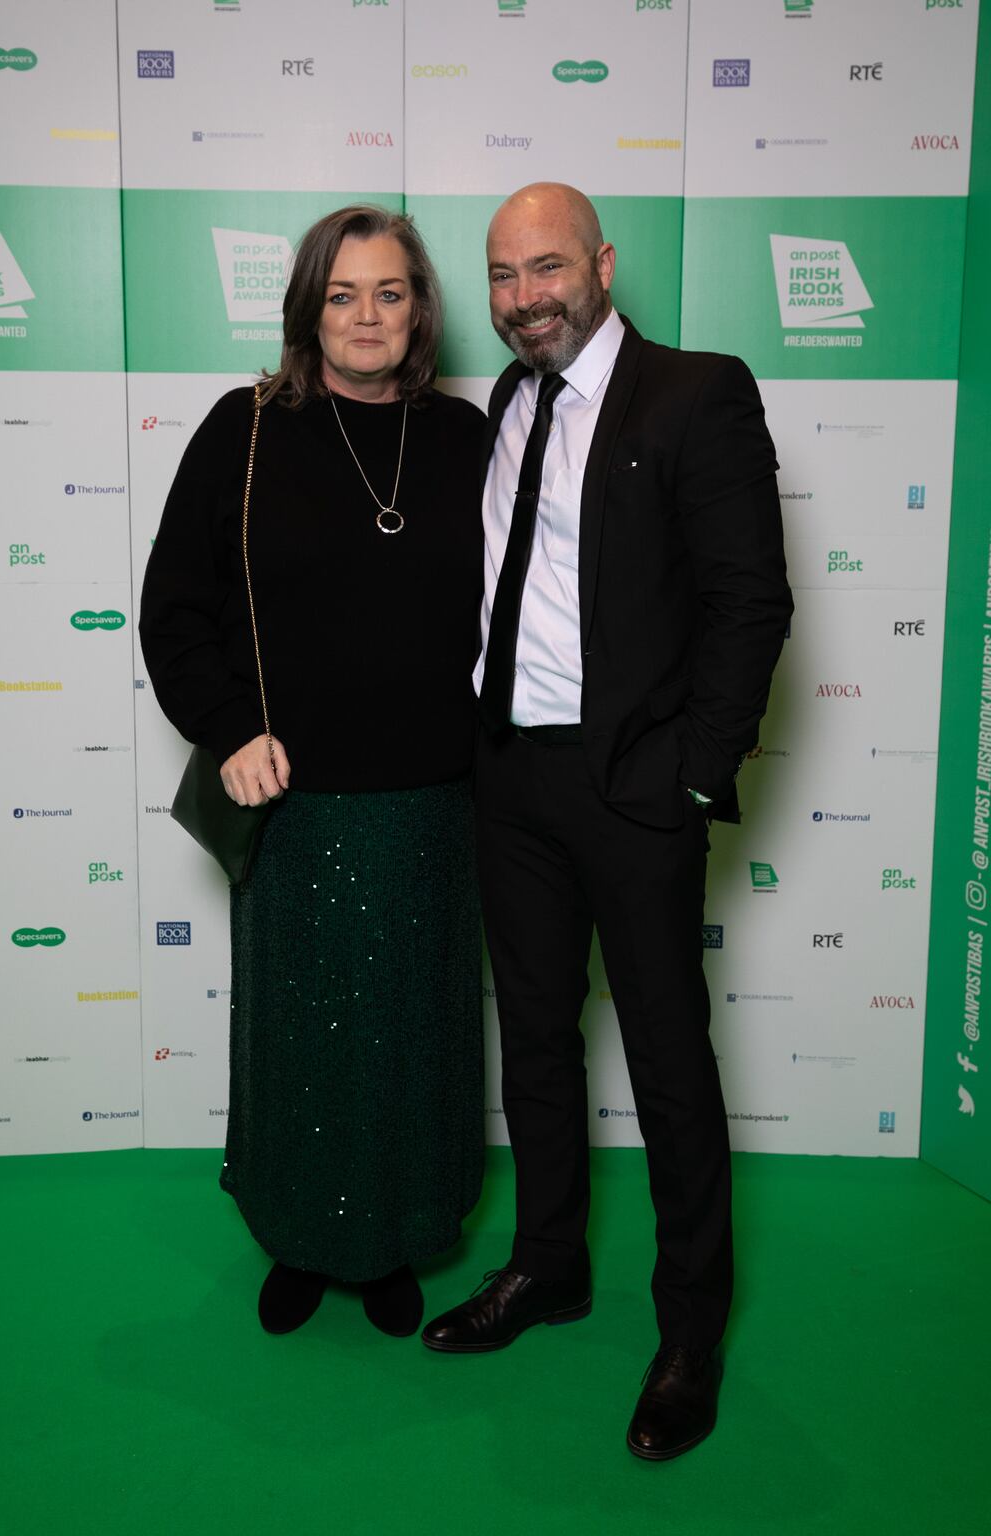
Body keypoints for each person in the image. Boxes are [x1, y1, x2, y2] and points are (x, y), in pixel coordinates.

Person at [420, 183, 793, 1460]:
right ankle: (548, 1267)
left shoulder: (697, 393)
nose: (524, 298)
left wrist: (690, 779)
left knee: (668, 1064)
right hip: (509, 780)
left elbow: (751, 605)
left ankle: (688, 1331)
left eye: (546, 269)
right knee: (532, 1041)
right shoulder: (502, 407)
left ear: (601, 263)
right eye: (503, 276)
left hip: (635, 791)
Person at [139, 205, 486, 1340]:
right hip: (289, 804)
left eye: (389, 293)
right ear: (307, 310)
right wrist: (229, 727)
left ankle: (388, 1239)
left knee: (409, 1032)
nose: (366, 315)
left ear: (420, 311)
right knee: (299, 1036)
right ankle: (298, 1234)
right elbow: (173, 610)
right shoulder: (242, 429)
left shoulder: (465, 437)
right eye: (342, 295)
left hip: (437, 801)